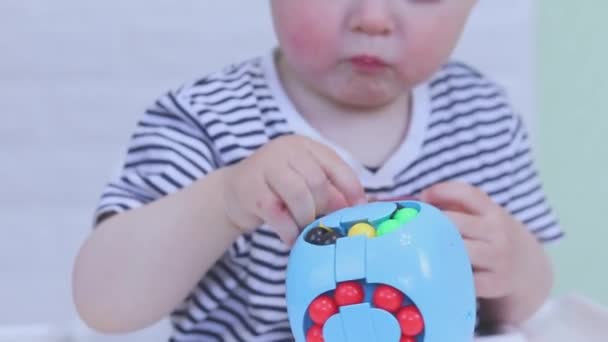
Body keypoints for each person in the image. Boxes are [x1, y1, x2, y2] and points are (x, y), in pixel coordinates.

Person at [72, 0, 564, 340]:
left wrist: (518, 267)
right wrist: (225, 198)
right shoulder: (208, 118)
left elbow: (533, 308)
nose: (373, 18)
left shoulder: (482, 117)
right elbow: (104, 304)